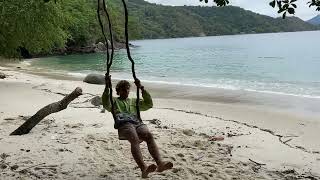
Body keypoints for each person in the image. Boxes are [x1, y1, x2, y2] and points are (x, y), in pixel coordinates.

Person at [102, 74, 173, 178]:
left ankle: (160, 164)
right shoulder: (114, 101)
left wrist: (141, 88)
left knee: (148, 135)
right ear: (118, 91)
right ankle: (144, 168)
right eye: (122, 90)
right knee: (134, 138)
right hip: (124, 124)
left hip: (137, 122)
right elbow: (105, 103)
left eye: (127, 89)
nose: (125, 92)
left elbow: (149, 104)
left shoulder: (134, 101)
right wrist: (107, 86)